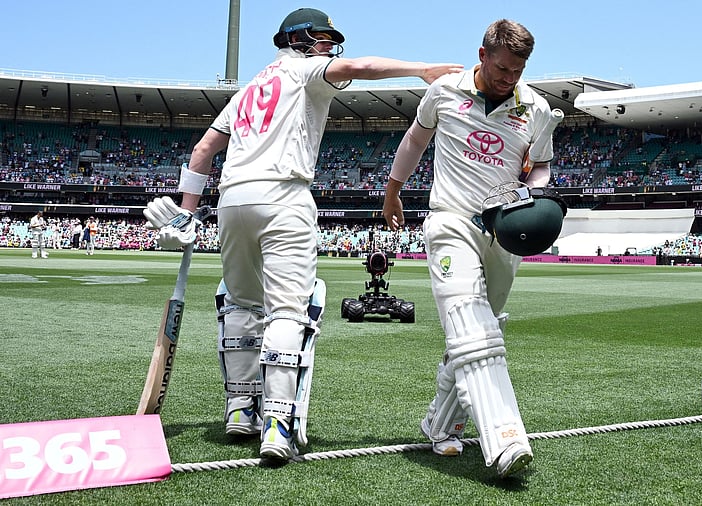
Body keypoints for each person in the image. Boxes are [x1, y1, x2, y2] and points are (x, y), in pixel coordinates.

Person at [142, 7, 462, 462]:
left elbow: (201, 152)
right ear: (295, 39)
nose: (329, 48)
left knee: (240, 306)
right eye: (322, 38)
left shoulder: (249, 88)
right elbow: (360, 67)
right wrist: (421, 70)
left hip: (233, 201)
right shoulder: (305, 70)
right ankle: (275, 424)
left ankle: (238, 410)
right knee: (288, 312)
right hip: (284, 194)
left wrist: (186, 216)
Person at [382, 19, 557, 478]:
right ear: (482, 55)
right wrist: (393, 191)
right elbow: (415, 139)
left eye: (517, 71)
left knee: (480, 328)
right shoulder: (444, 91)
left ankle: (441, 425)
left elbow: (541, 167)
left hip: (504, 230)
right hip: (451, 219)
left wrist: (531, 194)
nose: (508, 79)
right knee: (468, 320)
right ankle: (504, 439)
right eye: (501, 69)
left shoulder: (536, 108)